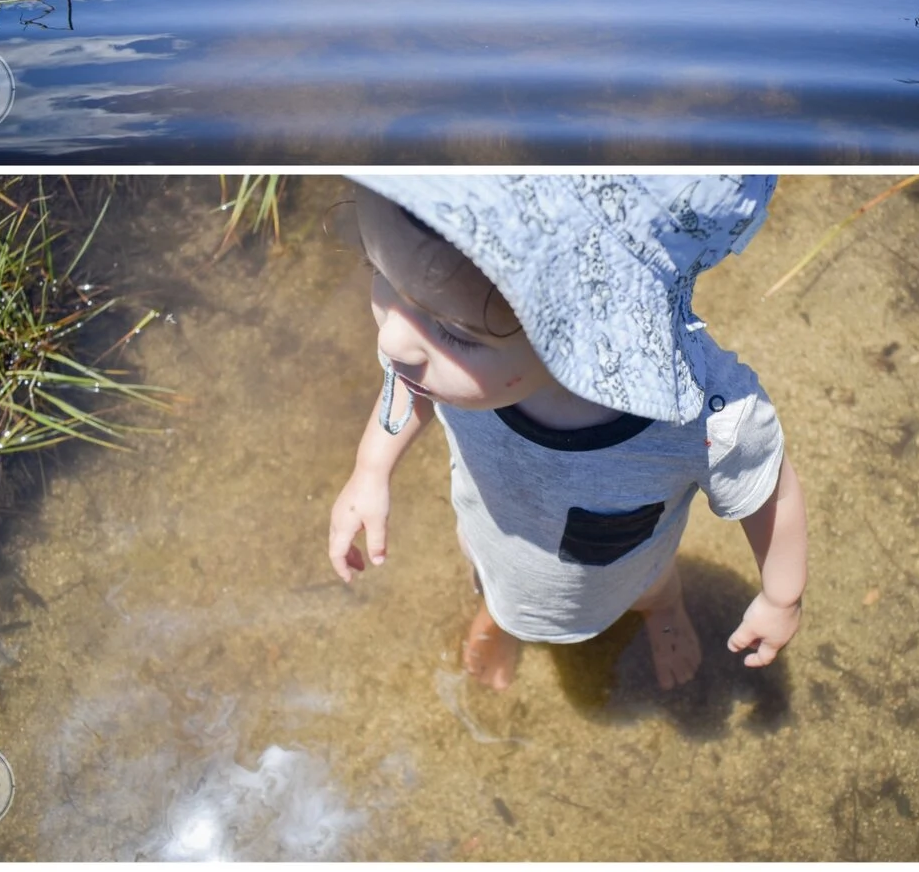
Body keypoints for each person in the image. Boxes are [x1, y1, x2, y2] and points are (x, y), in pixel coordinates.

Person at [326, 175, 808, 693]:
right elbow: (407, 386)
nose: (392, 339)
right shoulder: (436, 367)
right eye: (379, 271)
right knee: (490, 577)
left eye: (451, 331)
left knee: (650, 583)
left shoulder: (701, 417)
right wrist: (371, 468)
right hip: (490, 535)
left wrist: (782, 596)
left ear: (594, 329)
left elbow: (768, 490)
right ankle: (503, 616)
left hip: (627, 568)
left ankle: (663, 611)